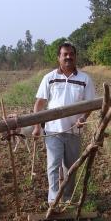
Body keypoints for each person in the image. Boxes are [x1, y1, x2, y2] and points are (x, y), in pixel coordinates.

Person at [33, 42, 96, 206]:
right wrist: (36, 126)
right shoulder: (49, 78)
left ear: (75, 57)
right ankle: (53, 200)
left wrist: (83, 118)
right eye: (64, 54)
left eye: (71, 54)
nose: (68, 57)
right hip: (53, 130)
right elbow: (39, 104)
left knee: (71, 167)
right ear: (58, 58)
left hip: (73, 131)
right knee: (53, 166)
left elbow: (90, 104)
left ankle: (67, 199)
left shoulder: (84, 79)